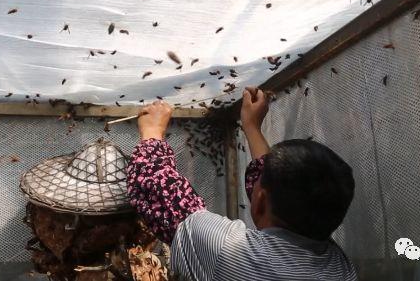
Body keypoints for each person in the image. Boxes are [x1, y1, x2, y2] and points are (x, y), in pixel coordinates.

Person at [126, 87, 357, 280]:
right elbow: (276, 189)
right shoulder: (339, 266)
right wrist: (252, 127)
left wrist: (152, 130)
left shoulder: (227, 251)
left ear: (260, 200)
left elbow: (154, 185)